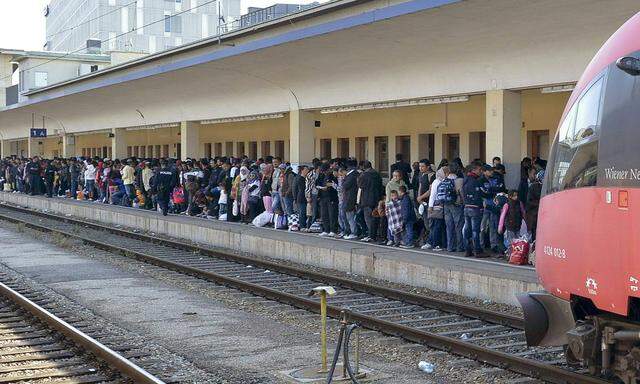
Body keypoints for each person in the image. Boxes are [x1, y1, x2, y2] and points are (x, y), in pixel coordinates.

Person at [462, 161, 488, 258]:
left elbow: (462, 192)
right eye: (479, 170)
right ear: (474, 170)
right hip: (475, 208)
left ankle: (467, 250)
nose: (480, 172)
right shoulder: (475, 181)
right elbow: (478, 195)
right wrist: (480, 207)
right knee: (475, 231)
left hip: (466, 207)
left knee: (467, 230)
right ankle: (477, 250)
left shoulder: (465, 180)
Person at [358, 160, 382, 243]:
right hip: (376, 198)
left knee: (368, 218)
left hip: (367, 199)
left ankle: (371, 235)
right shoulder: (377, 174)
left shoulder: (363, 175)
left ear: (364, 167)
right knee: (375, 217)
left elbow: (360, 185)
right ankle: (375, 235)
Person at [427, 167, 448, 251]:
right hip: (436, 206)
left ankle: (437, 243)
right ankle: (435, 244)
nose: (447, 175)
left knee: (438, 225)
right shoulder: (436, 181)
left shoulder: (442, 181)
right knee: (437, 225)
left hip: (440, 206)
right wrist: (430, 206)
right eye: (446, 173)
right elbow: (432, 195)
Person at [342, 159, 359, 239]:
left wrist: (343, 179)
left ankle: (353, 232)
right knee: (349, 216)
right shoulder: (356, 174)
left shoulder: (351, 176)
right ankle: (350, 231)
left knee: (350, 216)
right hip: (351, 198)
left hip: (350, 198)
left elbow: (345, 186)